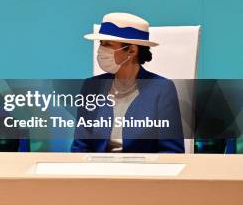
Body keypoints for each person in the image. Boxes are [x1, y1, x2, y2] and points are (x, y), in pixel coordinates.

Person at [71, 12, 184, 153]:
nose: (101, 50)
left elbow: (171, 152)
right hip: (98, 171)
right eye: (101, 43)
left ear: (131, 51)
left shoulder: (161, 89)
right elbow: (80, 147)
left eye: (108, 44)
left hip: (143, 172)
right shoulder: (91, 87)